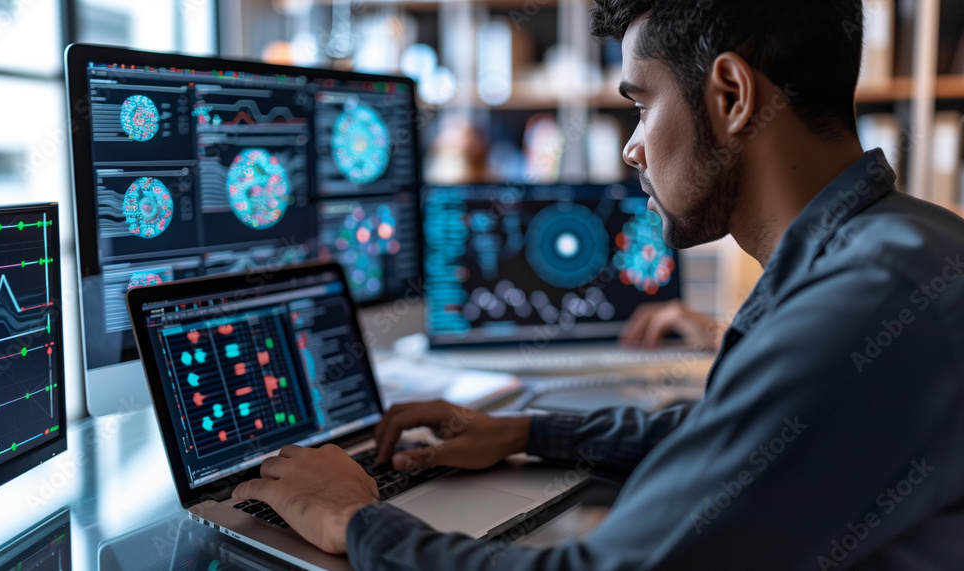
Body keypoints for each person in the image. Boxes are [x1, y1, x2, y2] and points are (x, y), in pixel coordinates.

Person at [232, 1, 964, 568]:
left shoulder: (870, 297)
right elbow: (744, 439)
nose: (632, 145)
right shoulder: (897, 248)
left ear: (734, 95)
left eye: (643, 103)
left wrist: (356, 519)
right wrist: (528, 431)